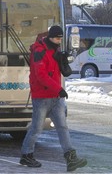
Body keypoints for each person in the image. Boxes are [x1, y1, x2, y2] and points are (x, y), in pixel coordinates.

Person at [19, 26, 87, 172]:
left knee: (62, 127)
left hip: (56, 96)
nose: (59, 40)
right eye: (57, 38)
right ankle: (26, 154)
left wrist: (63, 62)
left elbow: (59, 71)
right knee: (36, 128)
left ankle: (71, 158)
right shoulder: (39, 51)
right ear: (50, 37)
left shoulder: (55, 50)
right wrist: (59, 89)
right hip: (42, 97)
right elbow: (40, 75)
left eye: (61, 38)